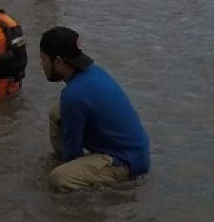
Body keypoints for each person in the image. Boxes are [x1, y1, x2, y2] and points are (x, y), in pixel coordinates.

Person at [39, 27, 150, 191]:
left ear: (58, 62)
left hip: (127, 162)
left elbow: (73, 152)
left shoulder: (74, 96)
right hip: (136, 150)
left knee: (58, 179)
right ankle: (67, 164)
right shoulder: (92, 72)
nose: (41, 64)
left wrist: (69, 168)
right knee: (57, 111)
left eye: (43, 59)